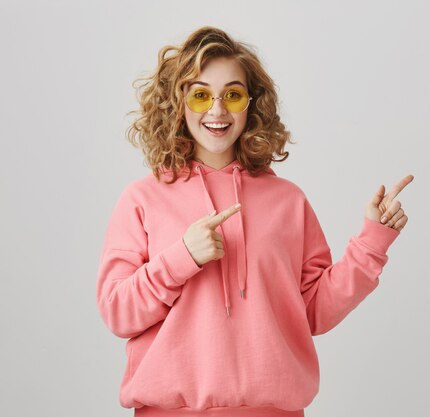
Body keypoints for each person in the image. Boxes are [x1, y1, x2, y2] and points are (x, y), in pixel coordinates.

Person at [95, 26, 412, 417]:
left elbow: (313, 310)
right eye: (200, 95)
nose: (217, 110)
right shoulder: (142, 199)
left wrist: (372, 242)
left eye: (232, 94)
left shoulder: (287, 200)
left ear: (251, 103)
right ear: (177, 104)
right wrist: (181, 258)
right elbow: (117, 311)